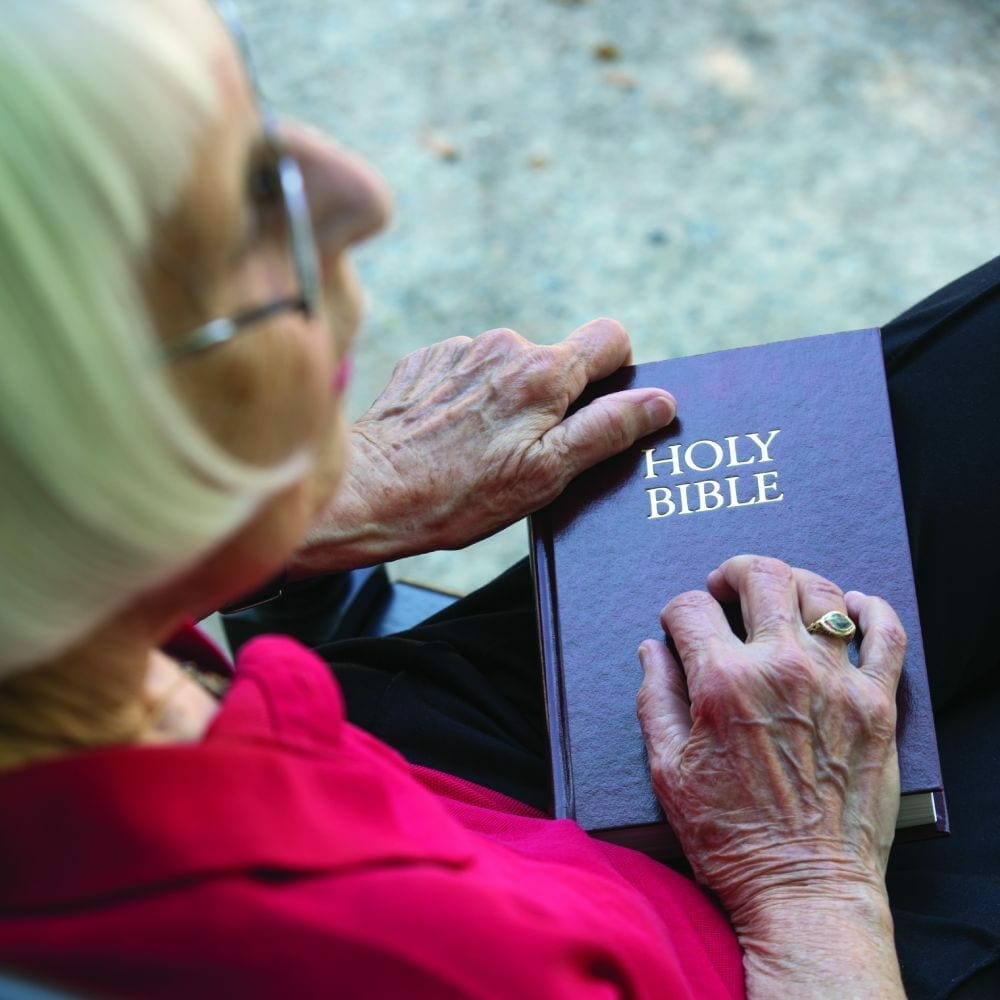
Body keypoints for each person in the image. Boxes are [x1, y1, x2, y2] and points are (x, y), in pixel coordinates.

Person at [0, 1, 996, 997]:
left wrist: (314, 492)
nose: (362, 195)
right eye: (243, 214)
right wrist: (810, 883)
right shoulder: (391, 953)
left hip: (404, 751)